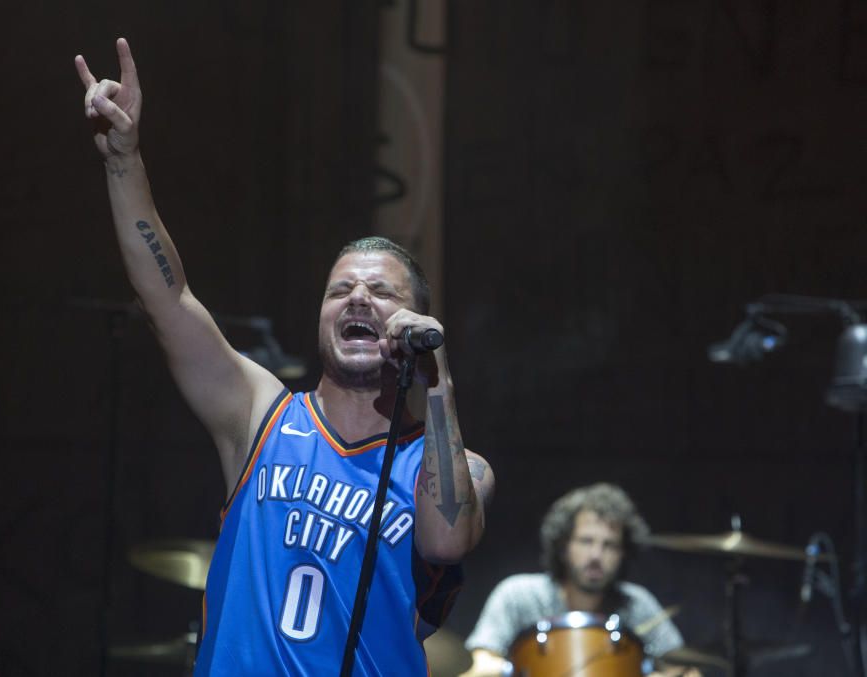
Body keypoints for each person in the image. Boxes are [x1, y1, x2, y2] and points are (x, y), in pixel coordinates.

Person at [74, 38, 494, 676]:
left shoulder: (452, 465)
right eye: (339, 290)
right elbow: (167, 297)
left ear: (415, 321)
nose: (358, 297)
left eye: (382, 292)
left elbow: (446, 537)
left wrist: (436, 379)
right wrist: (123, 163)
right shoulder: (261, 416)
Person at [462, 483, 699, 677]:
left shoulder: (637, 604)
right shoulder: (518, 595)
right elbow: (483, 662)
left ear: (623, 553)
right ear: (564, 546)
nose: (596, 555)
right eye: (586, 541)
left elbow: (687, 672)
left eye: (610, 545)